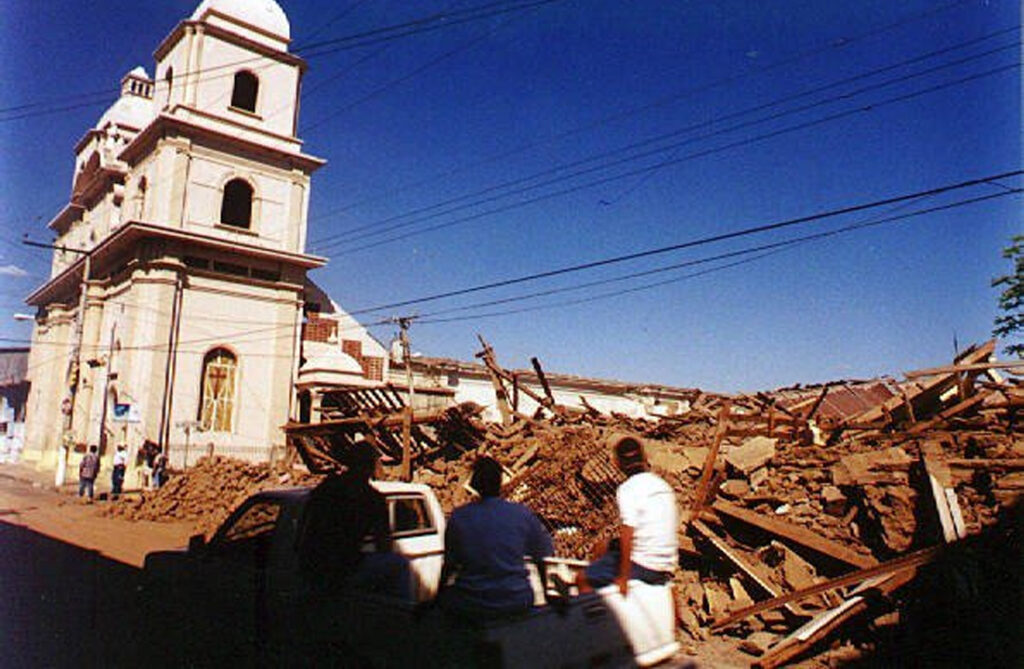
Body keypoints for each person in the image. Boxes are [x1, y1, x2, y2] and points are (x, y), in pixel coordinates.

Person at [441, 456, 554, 619]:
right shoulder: (521, 514)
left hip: (472, 602)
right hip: (516, 600)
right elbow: (541, 557)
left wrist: (436, 598)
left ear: (474, 483)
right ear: (500, 482)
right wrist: (546, 593)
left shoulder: (460, 517)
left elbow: (449, 565)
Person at [299, 440, 410, 599]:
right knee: (399, 564)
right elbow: (384, 543)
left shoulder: (328, 486)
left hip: (311, 563)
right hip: (343, 566)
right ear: (371, 466)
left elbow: (306, 518)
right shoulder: (372, 498)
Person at [577, 435, 678, 596]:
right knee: (603, 546)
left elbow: (627, 533)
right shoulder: (663, 486)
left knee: (582, 578)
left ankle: (596, 612)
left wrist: (623, 577)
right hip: (667, 564)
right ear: (644, 457)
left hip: (644, 565)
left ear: (617, 463)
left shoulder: (627, 489)